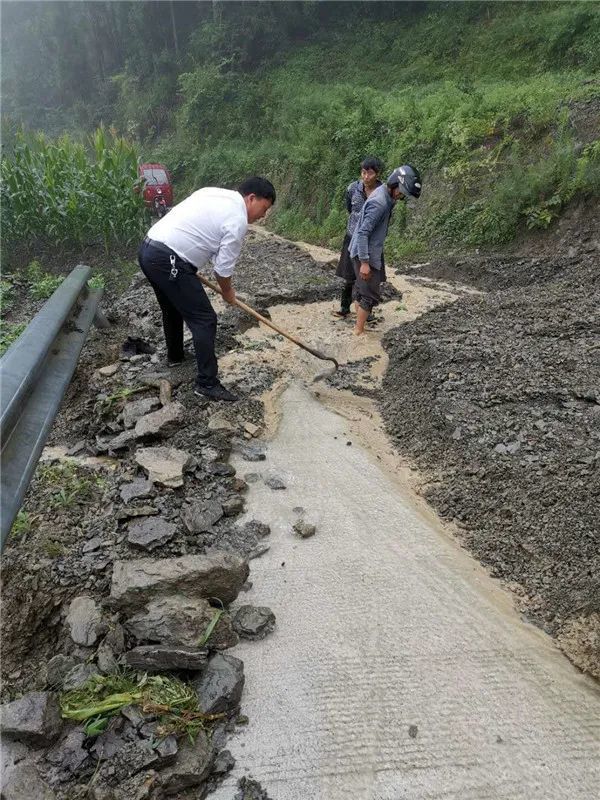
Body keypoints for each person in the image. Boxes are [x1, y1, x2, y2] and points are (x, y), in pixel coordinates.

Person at [138, 177, 276, 402]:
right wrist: (228, 292)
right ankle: (206, 383)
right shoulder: (237, 220)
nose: (263, 215)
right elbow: (222, 270)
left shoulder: (213, 192)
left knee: (172, 308)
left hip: (149, 249)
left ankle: (176, 358)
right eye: (264, 208)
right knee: (205, 319)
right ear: (252, 198)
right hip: (169, 259)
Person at [349, 164, 421, 336]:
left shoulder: (385, 195)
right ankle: (358, 333)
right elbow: (363, 232)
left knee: (362, 291)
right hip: (364, 252)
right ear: (394, 183)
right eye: (401, 192)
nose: (401, 196)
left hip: (366, 250)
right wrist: (365, 262)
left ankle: (358, 326)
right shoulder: (380, 203)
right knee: (370, 295)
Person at [333, 156, 384, 319]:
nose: (366, 177)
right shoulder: (352, 189)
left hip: (372, 240)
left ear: (377, 174)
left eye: (369, 173)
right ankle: (344, 307)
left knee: (368, 276)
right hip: (352, 236)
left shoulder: (382, 192)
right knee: (349, 275)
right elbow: (350, 209)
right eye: (363, 173)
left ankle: (366, 312)